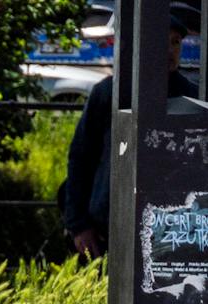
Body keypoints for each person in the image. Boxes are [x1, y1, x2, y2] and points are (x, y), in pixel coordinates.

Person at [63, 15, 195, 257]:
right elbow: (81, 158)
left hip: (171, 230)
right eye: (162, 42)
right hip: (108, 224)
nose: (170, 50)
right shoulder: (109, 93)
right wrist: (78, 224)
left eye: (176, 42)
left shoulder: (191, 97)